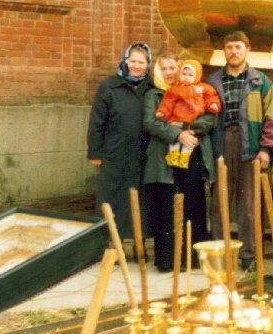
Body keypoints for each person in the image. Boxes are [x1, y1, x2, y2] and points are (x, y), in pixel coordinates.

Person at [206, 31, 273, 270]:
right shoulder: (212, 82)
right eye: (229, 47)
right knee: (219, 203)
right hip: (221, 145)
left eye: (238, 47)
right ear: (224, 50)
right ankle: (220, 253)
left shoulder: (260, 81)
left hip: (250, 146)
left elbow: (272, 116)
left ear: (247, 50)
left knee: (249, 205)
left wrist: (266, 148)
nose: (234, 52)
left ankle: (248, 255)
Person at [143, 53, 217, 271]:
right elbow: (150, 122)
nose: (169, 72)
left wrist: (186, 129)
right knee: (166, 208)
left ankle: (192, 258)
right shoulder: (153, 95)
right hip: (163, 159)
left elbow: (210, 118)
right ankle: (167, 260)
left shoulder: (198, 89)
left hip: (192, 154)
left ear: (180, 68)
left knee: (193, 205)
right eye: (164, 68)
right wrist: (177, 135)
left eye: (172, 68)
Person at [87, 42, 154, 243]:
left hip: (143, 153)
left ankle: (138, 243)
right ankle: (109, 243)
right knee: (112, 197)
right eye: (133, 61)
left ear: (148, 64)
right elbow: (97, 121)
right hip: (115, 153)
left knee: (140, 200)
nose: (136, 66)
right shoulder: (109, 86)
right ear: (125, 61)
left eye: (141, 62)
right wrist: (95, 152)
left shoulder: (151, 88)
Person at [155, 59, 221, 169]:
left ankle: (184, 158)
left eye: (190, 75)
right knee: (174, 141)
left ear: (197, 76)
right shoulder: (175, 89)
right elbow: (167, 102)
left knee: (190, 141)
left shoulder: (203, 88)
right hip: (177, 118)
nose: (186, 77)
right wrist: (162, 112)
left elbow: (211, 96)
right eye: (184, 74)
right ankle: (173, 156)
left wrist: (213, 105)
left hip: (193, 120)